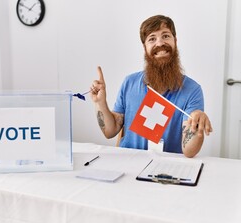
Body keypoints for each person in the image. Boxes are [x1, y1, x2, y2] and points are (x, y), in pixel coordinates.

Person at [90, 15, 212, 158]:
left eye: (165, 36)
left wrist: (197, 124)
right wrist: (100, 103)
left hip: (166, 169)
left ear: (175, 41)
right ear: (145, 47)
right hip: (128, 163)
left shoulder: (192, 90)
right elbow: (110, 131)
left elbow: (189, 151)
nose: (160, 43)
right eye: (152, 39)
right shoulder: (129, 83)